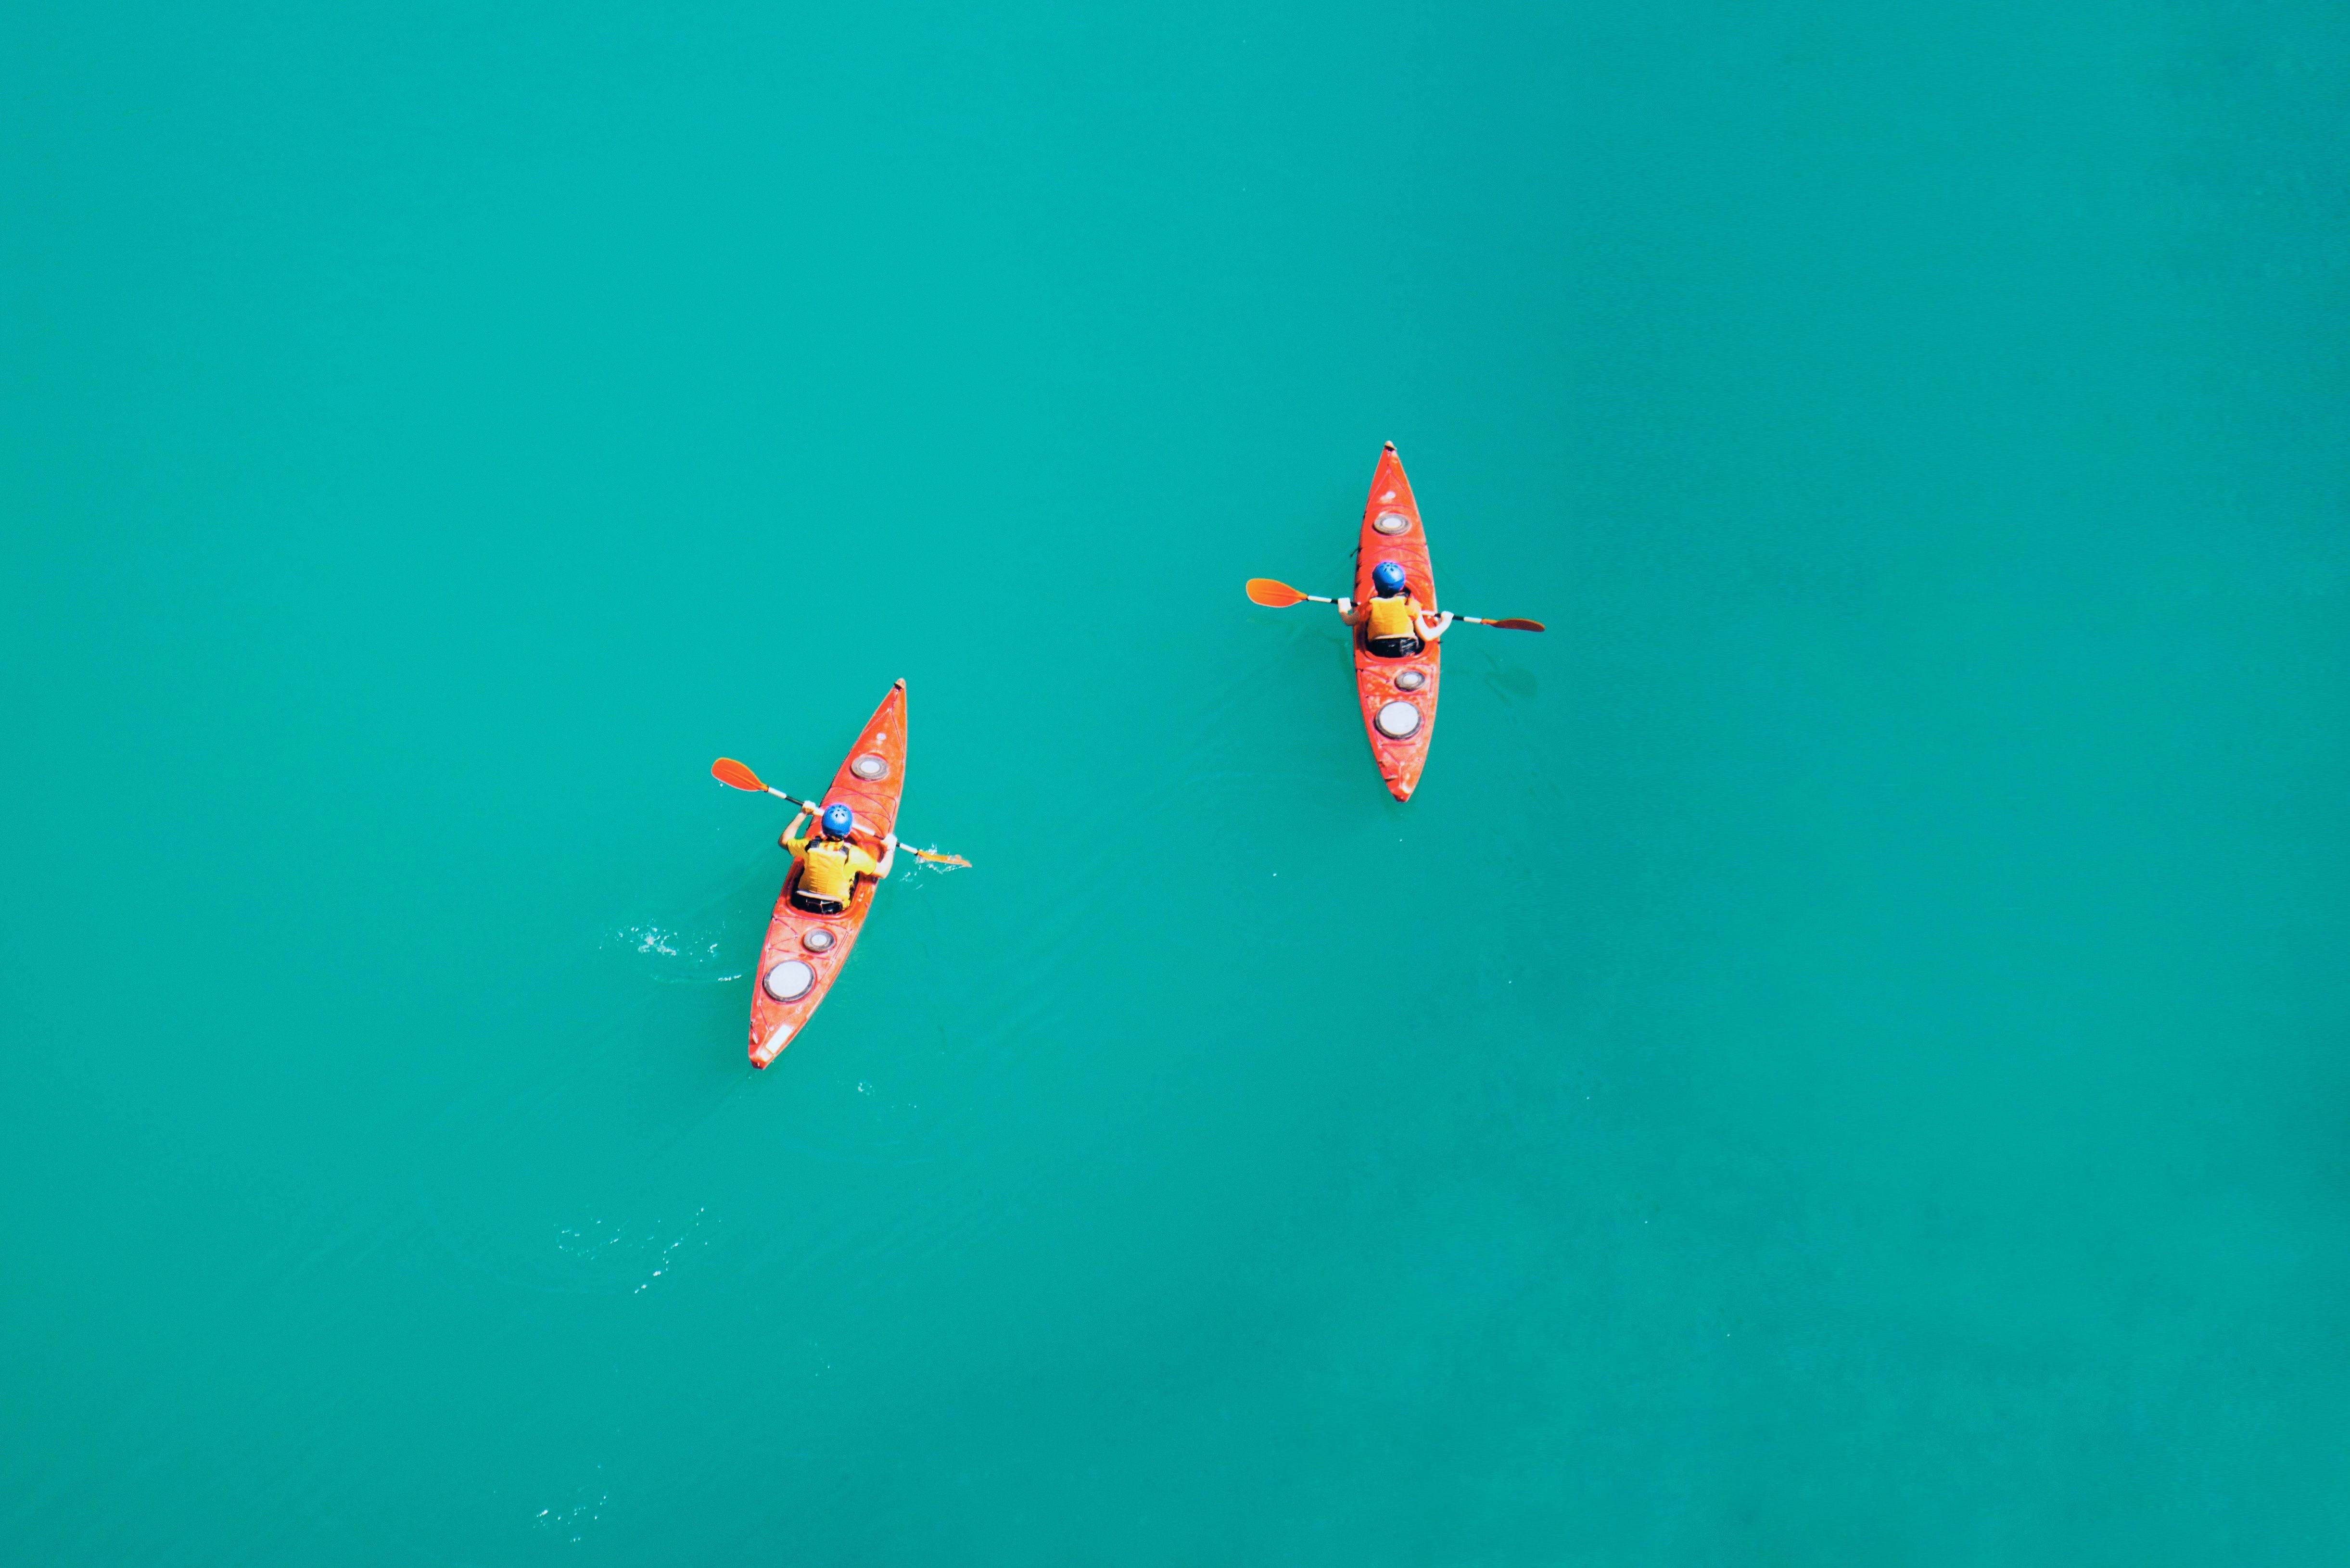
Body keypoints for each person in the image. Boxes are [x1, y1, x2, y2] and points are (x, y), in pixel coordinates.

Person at [780, 802, 898, 915]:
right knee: (857, 873)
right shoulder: (854, 854)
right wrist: (891, 848)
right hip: (835, 908)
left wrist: (803, 814)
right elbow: (883, 872)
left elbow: (784, 841)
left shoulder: (808, 846)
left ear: (823, 828)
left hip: (801, 901)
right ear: (847, 833)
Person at [1338, 559, 1453, 658]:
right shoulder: (1411, 605)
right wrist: (1445, 622)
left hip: (1378, 650)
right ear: (1402, 585)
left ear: (1376, 585)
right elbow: (1427, 636)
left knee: (1368, 621)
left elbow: (1348, 621)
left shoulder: (1369, 606)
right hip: (1407, 650)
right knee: (1414, 625)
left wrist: (1343, 609)